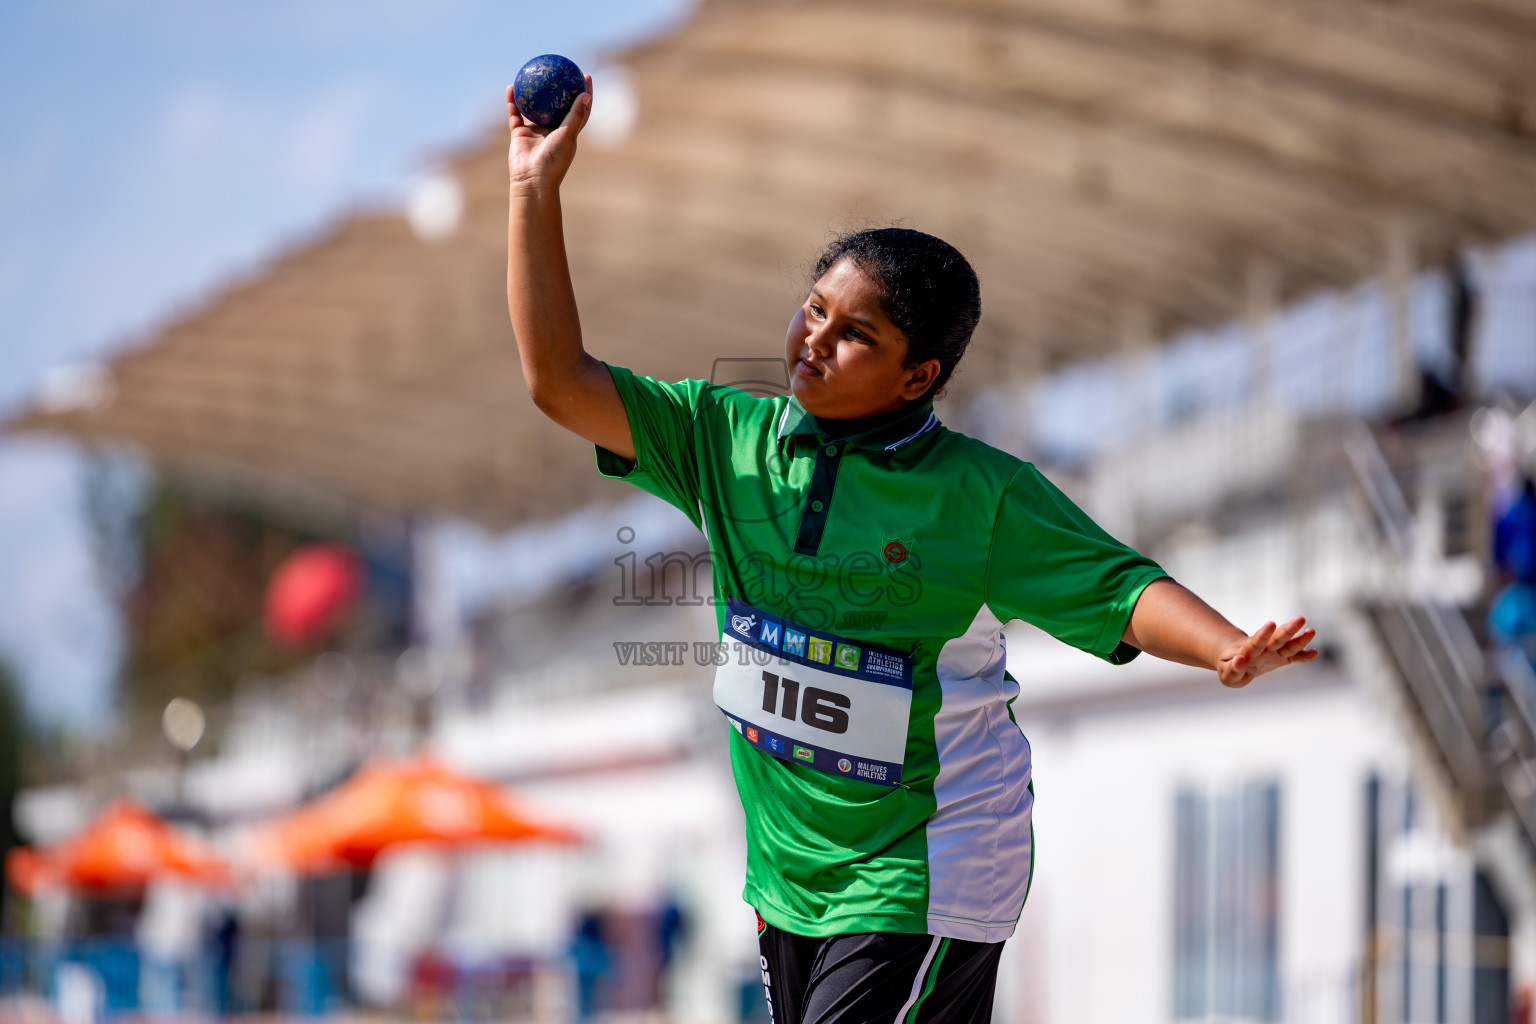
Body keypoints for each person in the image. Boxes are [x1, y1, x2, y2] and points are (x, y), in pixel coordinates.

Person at [504, 81, 1318, 1024]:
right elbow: (558, 381)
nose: (815, 342)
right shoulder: (721, 438)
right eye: (814, 311)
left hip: (928, 864)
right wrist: (533, 189)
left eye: (857, 335)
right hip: (786, 877)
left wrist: (1222, 647)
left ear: (917, 375)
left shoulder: (977, 494)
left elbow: (1122, 587)